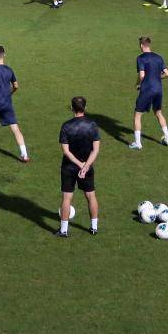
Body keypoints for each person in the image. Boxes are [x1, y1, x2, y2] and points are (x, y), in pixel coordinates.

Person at [56, 96, 100, 238]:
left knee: (67, 198)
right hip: (86, 167)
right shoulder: (92, 125)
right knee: (91, 196)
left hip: (69, 166)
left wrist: (79, 164)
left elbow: (66, 151)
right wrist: (85, 166)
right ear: (85, 108)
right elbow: (95, 149)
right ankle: (94, 228)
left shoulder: (66, 126)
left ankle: (64, 230)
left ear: (72, 108)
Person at [131, 36, 168, 148]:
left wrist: (137, 83)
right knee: (158, 112)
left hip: (147, 90)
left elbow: (142, 75)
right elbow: (167, 74)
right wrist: (157, 77)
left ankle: (138, 143)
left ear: (141, 45)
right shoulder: (159, 57)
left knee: (137, 115)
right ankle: (167, 137)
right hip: (158, 89)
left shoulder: (140, 58)